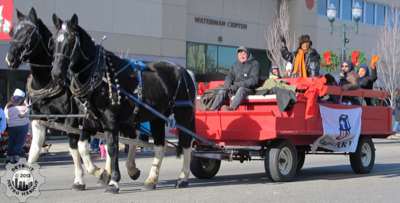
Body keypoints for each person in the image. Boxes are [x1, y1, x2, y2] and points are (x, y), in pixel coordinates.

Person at [209, 46, 260, 111]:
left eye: (244, 54)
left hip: (249, 89)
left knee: (241, 89)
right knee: (223, 90)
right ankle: (213, 109)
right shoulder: (235, 65)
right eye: (240, 54)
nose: (242, 56)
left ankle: (231, 109)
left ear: (248, 54)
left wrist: (237, 85)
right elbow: (229, 76)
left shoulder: (254, 64)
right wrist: (227, 86)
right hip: (235, 88)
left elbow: (253, 81)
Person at [4, 89, 30, 163]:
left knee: (11, 141)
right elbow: (28, 114)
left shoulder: (8, 105)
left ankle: (9, 156)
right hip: (23, 126)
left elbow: (6, 116)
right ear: (22, 98)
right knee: (19, 142)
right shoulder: (25, 105)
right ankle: (15, 156)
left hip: (11, 126)